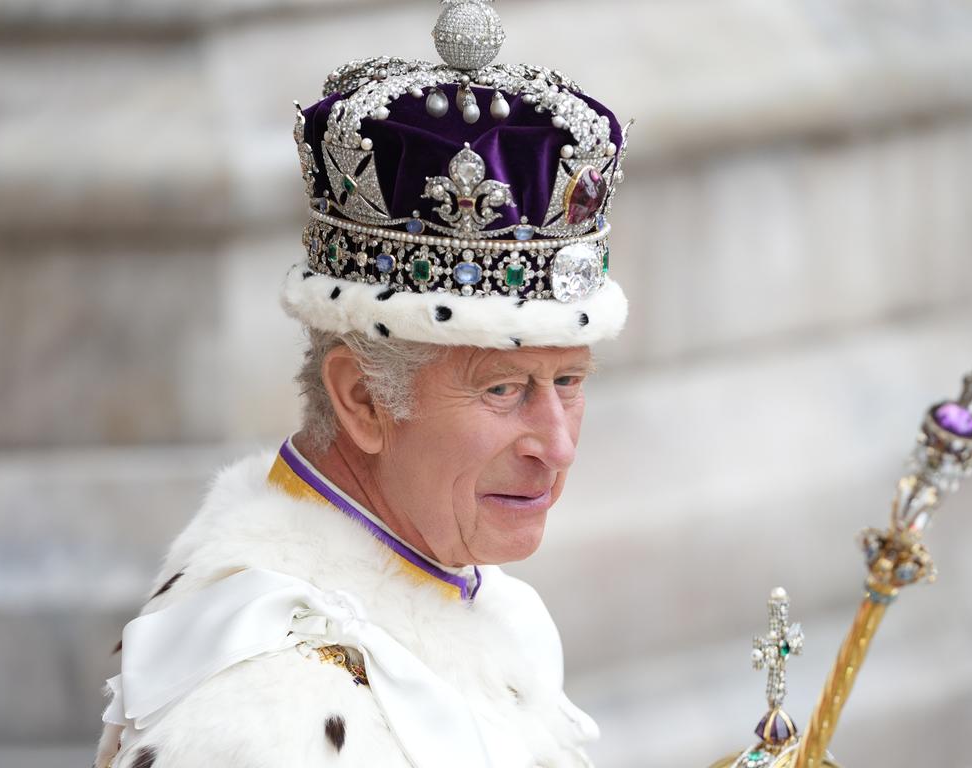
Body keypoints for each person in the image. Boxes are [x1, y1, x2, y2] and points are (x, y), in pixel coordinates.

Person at [96, 2, 631, 765]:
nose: (558, 445)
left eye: (569, 379)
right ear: (362, 399)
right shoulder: (269, 715)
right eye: (503, 389)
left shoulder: (464, 589)